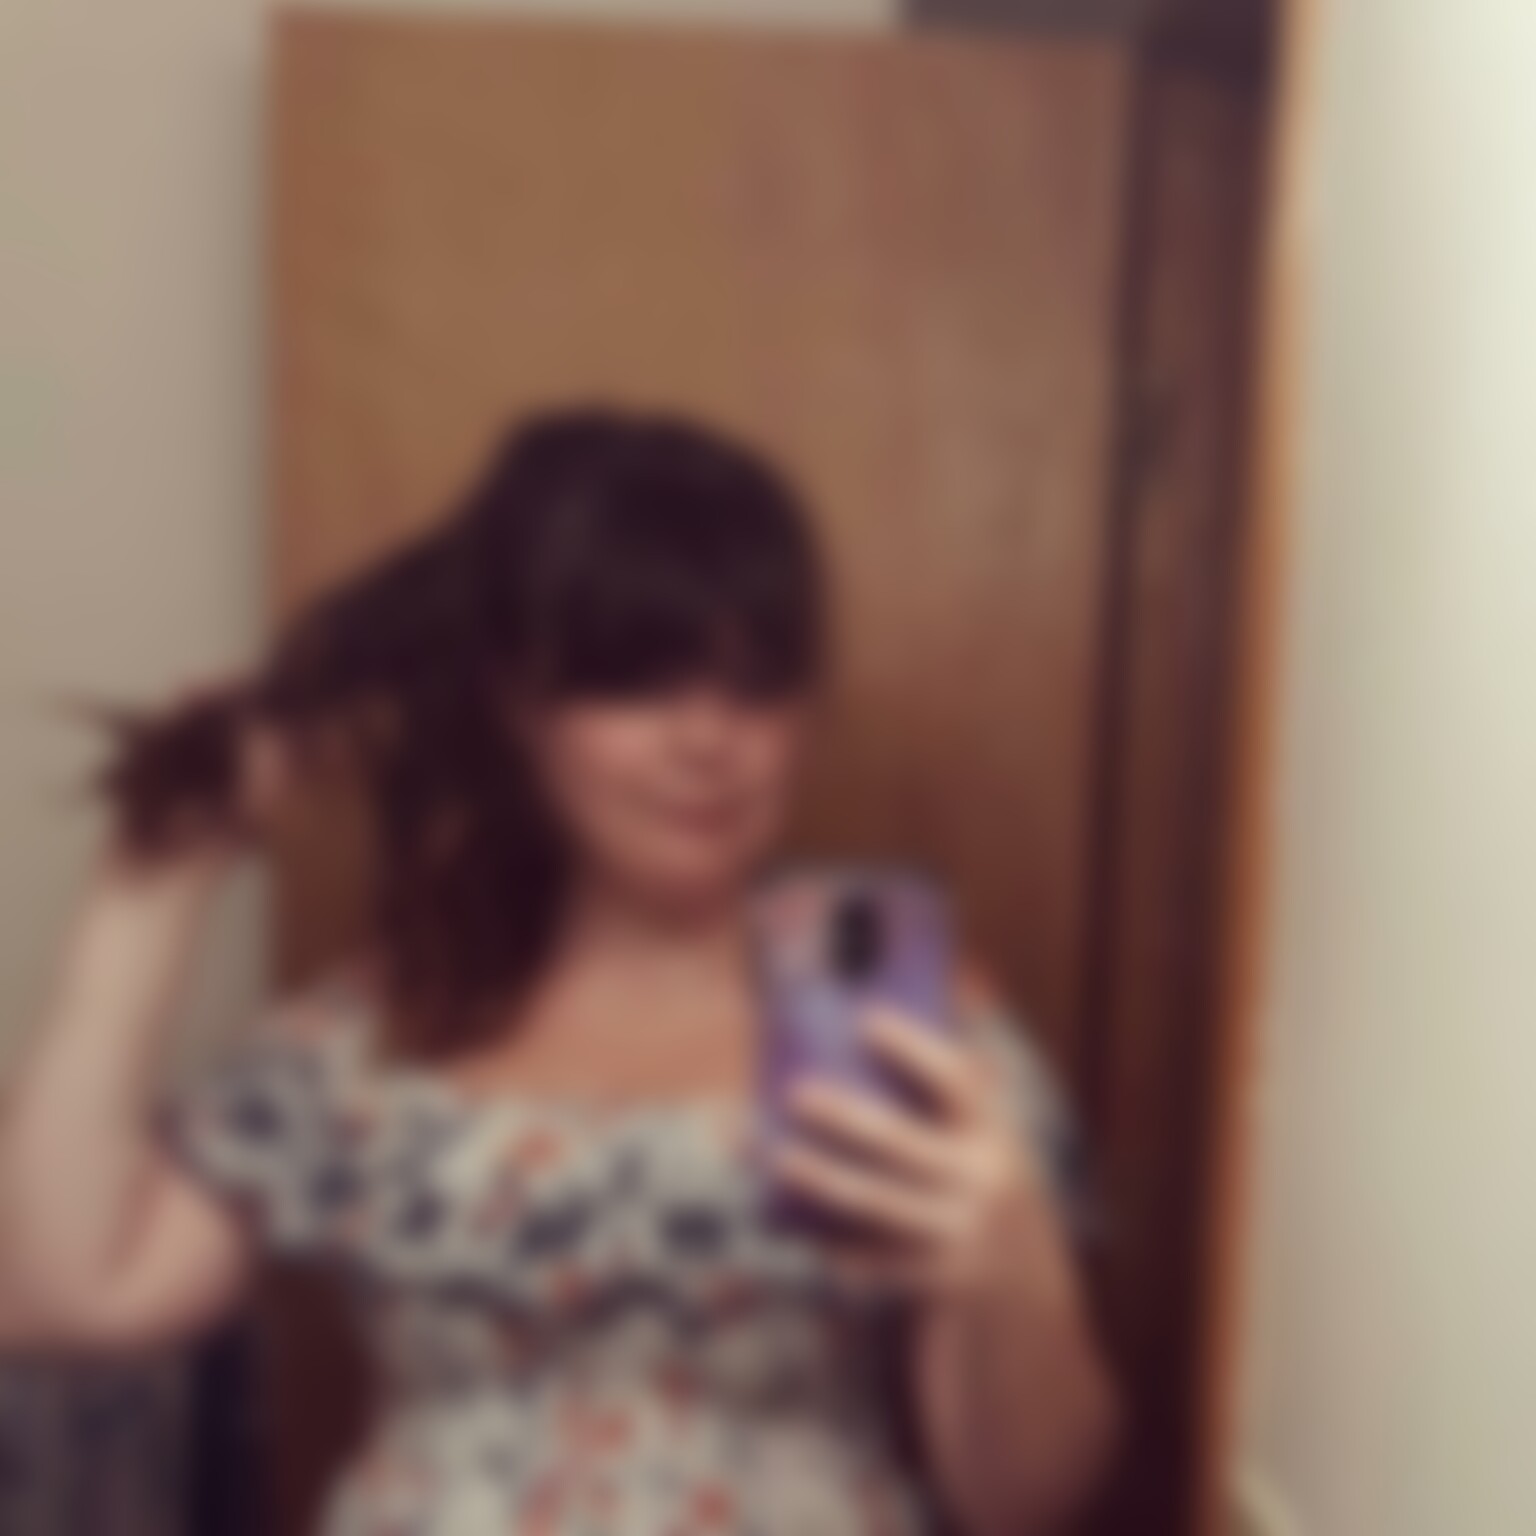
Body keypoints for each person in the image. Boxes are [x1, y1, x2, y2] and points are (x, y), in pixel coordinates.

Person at [0, 409, 1118, 1536]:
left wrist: (1013, 1268)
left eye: (758, 684)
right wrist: (155, 873)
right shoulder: (376, 1033)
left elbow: (1027, 1502)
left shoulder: (908, 1033)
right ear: (516, 701)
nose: (708, 741)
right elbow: (53, 1293)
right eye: (638, 682)